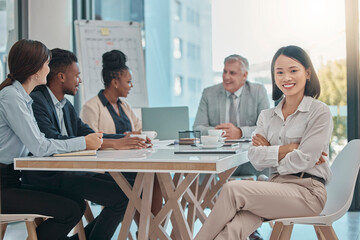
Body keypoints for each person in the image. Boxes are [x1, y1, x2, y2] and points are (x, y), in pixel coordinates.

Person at [194, 45, 333, 240]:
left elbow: (304, 160)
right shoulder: (267, 116)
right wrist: (290, 148)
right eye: (280, 72)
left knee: (232, 189)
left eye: (293, 70)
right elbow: (255, 159)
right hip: (274, 188)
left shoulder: (319, 112)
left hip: (307, 192)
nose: (286, 78)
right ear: (274, 76)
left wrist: (271, 152)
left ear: (307, 73)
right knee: (232, 231)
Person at [22, 48, 145, 240]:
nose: (80, 80)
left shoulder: (65, 104)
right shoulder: (37, 102)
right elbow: (51, 141)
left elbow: (87, 133)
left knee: (131, 189)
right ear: (61, 76)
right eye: (77, 76)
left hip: (70, 171)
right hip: (49, 175)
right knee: (122, 197)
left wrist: (120, 141)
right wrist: (112, 143)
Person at [0, 39, 103, 240]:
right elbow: (39, 145)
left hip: (13, 181)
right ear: (36, 70)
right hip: (3, 187)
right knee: (69, 210)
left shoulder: (22, 97)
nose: (49, 69)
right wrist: (83, 142)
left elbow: (38, 142)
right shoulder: (11, 97)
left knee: (77, 203)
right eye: (47, 64)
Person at [193, 54, 269, 139]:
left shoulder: (258, 91)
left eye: (232, 73)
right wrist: (219, 133)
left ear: (244, 75)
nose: (226, 77)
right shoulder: (209, 93)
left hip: (248, 148)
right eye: (225, 72)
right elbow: (197, 128)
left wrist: (240, 132)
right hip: (217, 148)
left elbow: (266, 127)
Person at [81, 49, 141, 134]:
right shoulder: (90, 107)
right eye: (128, 82)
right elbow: (91, 140)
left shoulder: (125, 106)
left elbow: (140, 128)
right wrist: (123, 139)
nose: (131, 86)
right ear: (115, 82)